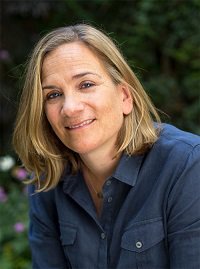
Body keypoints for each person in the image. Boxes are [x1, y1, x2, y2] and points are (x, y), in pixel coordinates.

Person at [13, 24, 200, 269]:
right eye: (53, 95)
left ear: (124, 96)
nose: (69, 108)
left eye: (86, 84)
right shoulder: (47, 181)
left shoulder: (186, 166)